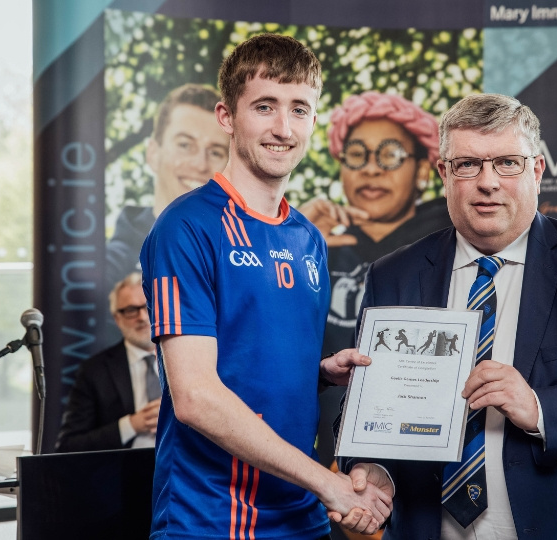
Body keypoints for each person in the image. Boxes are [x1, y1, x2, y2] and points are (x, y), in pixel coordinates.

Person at [338, 93, 557, 539]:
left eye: (506, 163)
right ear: (444, 173)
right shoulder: (393, 275)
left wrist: (538, 407)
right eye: (467, 165)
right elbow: (366, 401)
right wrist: (376, 465)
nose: (487, 182)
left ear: (536, 170)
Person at [140, 33, 392, 539]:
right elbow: (195, 396)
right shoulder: (185, 228)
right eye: (265, 106)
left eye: (300, 109)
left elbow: (247, 360)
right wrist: (330, 484)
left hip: (303, 520)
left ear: (314, 121)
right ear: (227, 116)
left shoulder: (308, 239)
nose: (283, 128)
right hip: (211, 520)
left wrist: (316, 374)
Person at [299, 91, 452, 355]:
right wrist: (289, 242)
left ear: (422, 172)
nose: (371, 169)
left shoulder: (454, 245)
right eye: (357, 154)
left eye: (391, 155)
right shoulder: (314, 246)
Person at [105, 83, 230, 293]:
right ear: (153, 154)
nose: (200, 165)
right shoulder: (110, 271)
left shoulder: (242, 256)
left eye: (216, 152)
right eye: (184, 145)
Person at [54, 272, 160, 452]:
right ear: (117, 319)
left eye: (148, 306)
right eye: (131, 310)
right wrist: (130, 425)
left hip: (186, 471)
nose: (142, 317)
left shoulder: (192, 358)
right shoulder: (94, 371)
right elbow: (68, 446)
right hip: (125, 474)